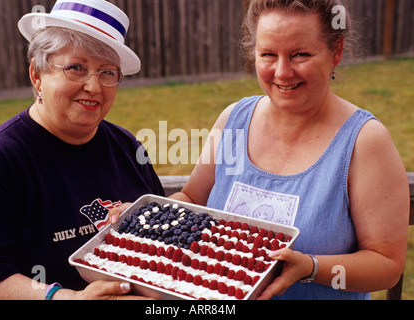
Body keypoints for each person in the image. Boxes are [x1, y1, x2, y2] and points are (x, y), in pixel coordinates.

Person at [169, 0, 410, 300]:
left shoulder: (364, 141)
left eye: (300, 55)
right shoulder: (233, 120)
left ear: (335, 51)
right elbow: (192, 197)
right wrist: (148, 216)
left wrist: (311, 267)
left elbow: (387, 265)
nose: (282, 72)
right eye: (268, 54)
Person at [0, 0, 164, 300]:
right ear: (37, 75)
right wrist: (66, 298)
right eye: (76, 68)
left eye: (107, 73)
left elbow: (166, 237)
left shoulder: (128, 148)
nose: (94, 87)